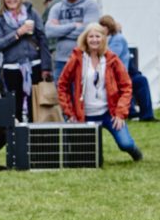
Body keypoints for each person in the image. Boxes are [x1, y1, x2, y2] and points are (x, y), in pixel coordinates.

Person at [57, 23, 142, 161]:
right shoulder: (76, 58)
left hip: (109, 113)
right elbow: (62, 84)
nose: (94, 40)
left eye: (98, 36)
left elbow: (126, 86)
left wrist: (120, 113)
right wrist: (69, 113)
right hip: (84, 115)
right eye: (91, 36)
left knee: (125, 144)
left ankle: (135, 151)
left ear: (103, 38)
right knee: (86, 158)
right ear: (85, 39)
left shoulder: (112, 59)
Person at [0, 0, 52, 123]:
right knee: (14, 108)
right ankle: (17, 141)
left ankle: (36, 140)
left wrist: (46, 67)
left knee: (36, 107)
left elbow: (43, 39)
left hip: (34, 65)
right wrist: (18, 32)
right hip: (11, 68)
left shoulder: (31, 13)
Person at [98, 15, 156, 122]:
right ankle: (135, 112)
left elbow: (111, 57)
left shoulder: (117, 39)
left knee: (140, 80)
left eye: (103, 27)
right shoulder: (103, 39)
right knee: (140, 81)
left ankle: (146, 114)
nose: (101, 30)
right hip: (114, 74)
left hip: (120, 74)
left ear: (109, 27)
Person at [45, 0, 100, 82]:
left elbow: (89, 31)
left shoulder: (90, 5)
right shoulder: (57, 7)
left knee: (81, 96)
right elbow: (49, 31)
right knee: (62, 96)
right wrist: (74, 25)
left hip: (84, 59)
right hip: (61, 60)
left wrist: (60, 28)